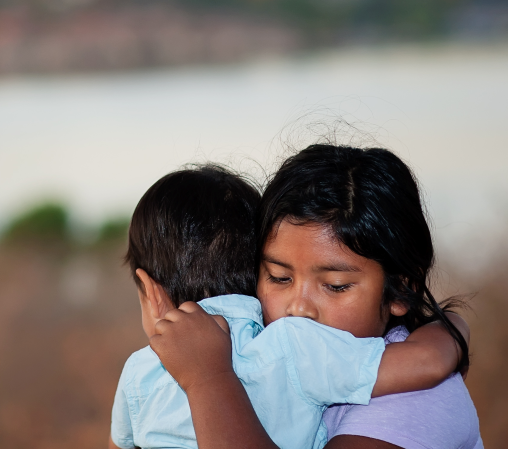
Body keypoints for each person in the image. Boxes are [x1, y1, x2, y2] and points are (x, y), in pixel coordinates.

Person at [113, 164, 470, 449]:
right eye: (279, 278)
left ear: (401, 291)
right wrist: (452, 329)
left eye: (335, 286)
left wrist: (209, 379)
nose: (298, 308)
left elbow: (428, 364)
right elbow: (429, 359)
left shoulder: (416, 398)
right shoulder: (286, 350)